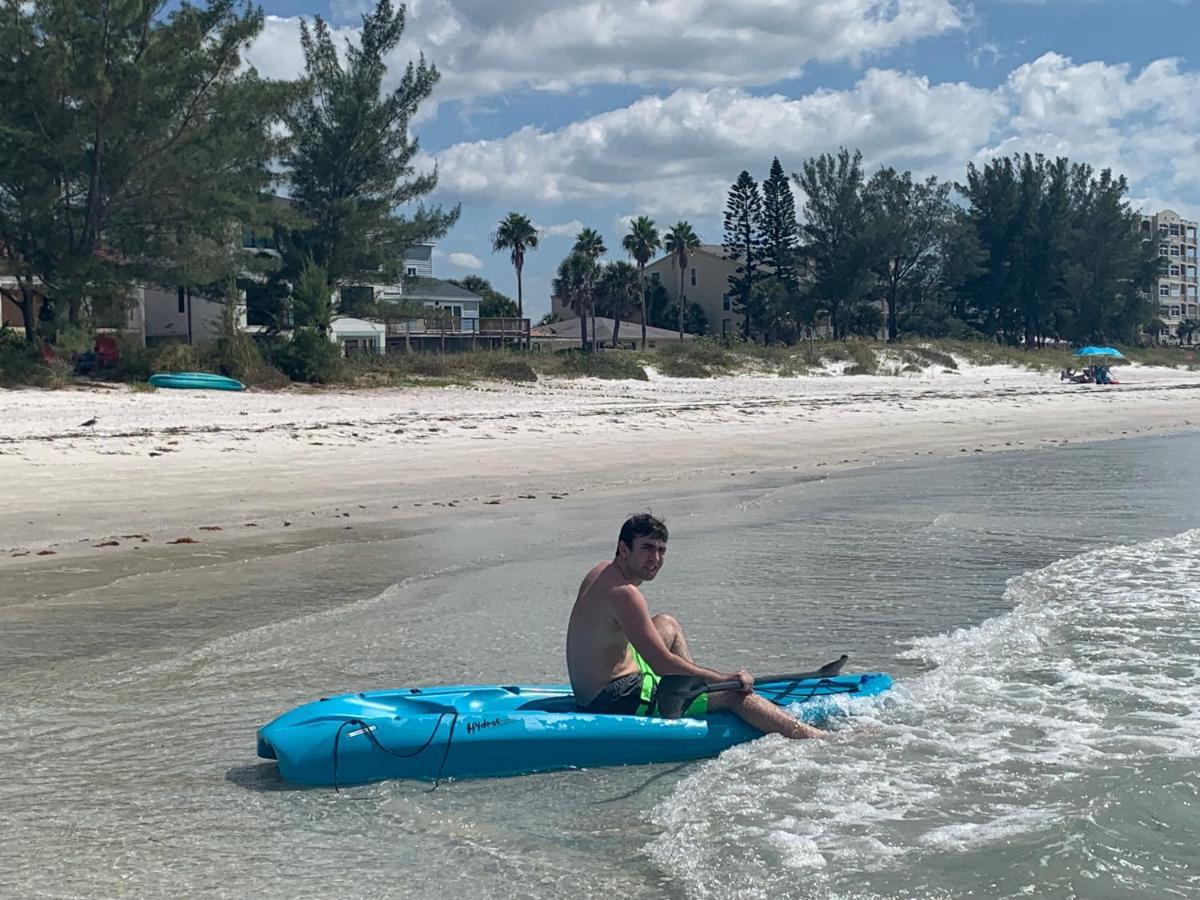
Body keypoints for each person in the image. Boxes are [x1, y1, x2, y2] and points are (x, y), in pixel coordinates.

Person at [566, 513, 825, 739]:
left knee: (667, 624)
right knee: (735, 696)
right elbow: (662, 664)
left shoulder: (601, 571)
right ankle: (815, 738)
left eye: (661, 550)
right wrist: (725, 680)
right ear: (624, 549)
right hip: (615, 699)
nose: (655, 558)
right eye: (646, 548)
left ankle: (693, 694)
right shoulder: (625, 594)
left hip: (593, 688)